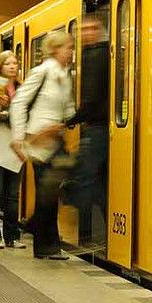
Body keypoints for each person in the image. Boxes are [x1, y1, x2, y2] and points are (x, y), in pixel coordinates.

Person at [12, 30, 75, 260]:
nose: (71, 52)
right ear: (55, 49)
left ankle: (40, 234)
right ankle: (46, 243)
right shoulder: (41, 72)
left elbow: (68, 108)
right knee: (47, 191)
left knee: (50, 191)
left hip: (55, 139)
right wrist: (18, 136)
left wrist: (71, 117)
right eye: (68, 47)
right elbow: (19, 102)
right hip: (39, 141)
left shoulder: (64, 75)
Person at [62, 15, 109, 249]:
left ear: (101, 30)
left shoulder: (95, 56)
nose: (87, 33)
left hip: (97, 127)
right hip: (100, 126)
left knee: (86, 179)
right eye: (84, 29)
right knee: (96, 180)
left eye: (92, 28)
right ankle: (97, 232)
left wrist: (72, 119)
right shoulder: (104, 53)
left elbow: (91, 97)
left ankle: (89, 234)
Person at [0, 51, 25, 250]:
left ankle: (12, 236)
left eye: (14, 63)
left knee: (13, 195)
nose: (12, 66)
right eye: (7, 63)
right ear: (0, 66)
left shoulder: (21, 89)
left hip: (16, 148)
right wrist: (9, 115)